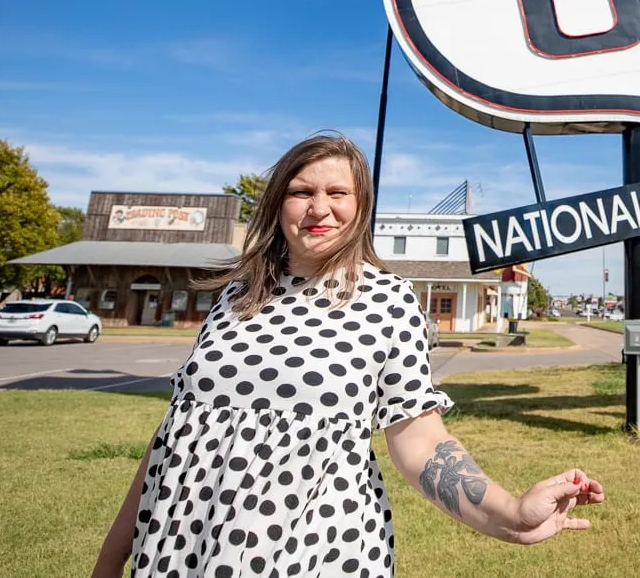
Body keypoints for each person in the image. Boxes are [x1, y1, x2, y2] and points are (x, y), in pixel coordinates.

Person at [92, 134, 604, 577]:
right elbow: (177, 437)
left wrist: (512, 513)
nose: (319, 208)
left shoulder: (388, 300)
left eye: (338, 193)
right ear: (277, 204)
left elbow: (421, 444)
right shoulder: (236, 296)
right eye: (301, 192)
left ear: (361, 208)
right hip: (182, 546)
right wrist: (112, 556)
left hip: (312, 552)